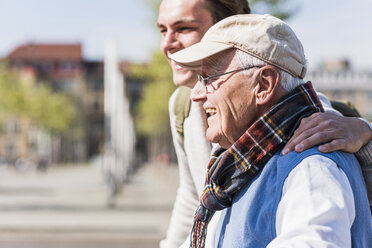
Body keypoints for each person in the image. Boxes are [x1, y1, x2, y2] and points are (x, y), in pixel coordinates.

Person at [157, 0, 372, 247]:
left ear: (264, 85)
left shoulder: (310, 162)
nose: (198, 93)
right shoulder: (241, 163)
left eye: (210, 78)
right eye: (163, 29)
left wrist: (365, 132)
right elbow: (191, 203)